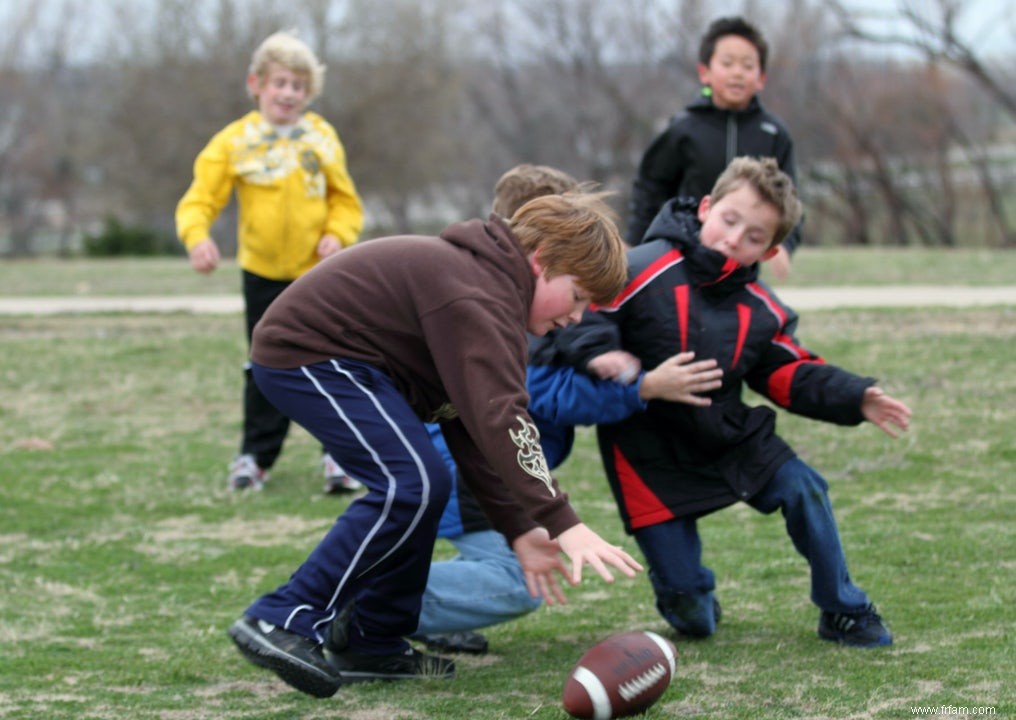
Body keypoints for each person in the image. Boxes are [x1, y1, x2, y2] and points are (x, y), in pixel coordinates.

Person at [226, 190, 645, 698]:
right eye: (578, 296)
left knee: (428, 482)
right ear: (541, 262)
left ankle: (371, 640)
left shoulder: (493, 299)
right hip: (310, 354)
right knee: (412, 482)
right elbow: (503, 419)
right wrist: (563, 522)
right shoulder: (477, 296)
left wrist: (518, 527)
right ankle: (283, 617)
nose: (578, 318)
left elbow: (471, 428)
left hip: (354, 367)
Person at [566, 157, 911, 647]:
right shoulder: (640, 267)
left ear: (769, 251)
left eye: (753, 236)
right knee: (694, 621)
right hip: (647, 453)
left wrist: (854, 396)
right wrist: (603, 354)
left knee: (805, 488)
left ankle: (843, 609)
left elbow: (788, 372)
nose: (734, 239)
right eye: (729, 220)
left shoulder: (762, 308)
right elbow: (587, 314)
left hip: (728, 435)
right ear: (707, 207)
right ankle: (687, 594)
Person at [415, 164, 723, 656]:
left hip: (479, 471)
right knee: (517, 580)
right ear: (539, 249)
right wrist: (643, 388)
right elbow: (549, 395)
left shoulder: (526, 305)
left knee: (508, 568)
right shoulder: (510, 320)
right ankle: (372, 603)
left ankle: (405, 610)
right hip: (467, 473)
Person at [175, 31, 364, 494]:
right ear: (256, 83)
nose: (288, 93)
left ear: (309, 92)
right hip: (261, 273)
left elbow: (347, 202)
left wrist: (336, 234)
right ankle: (254, 459)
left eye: (298, 85)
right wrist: (197, 238)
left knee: (329, 365)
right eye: (279, 82)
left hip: (317, 276)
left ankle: (339, 458)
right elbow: (199, 199)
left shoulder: (320, 138)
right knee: (264, 367)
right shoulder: (235, 142)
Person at [627, 16, 800, 278]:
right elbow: (650, 188)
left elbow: (789, 197)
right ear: (704, 72)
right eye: (727, 63)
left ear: (761, 77)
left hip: (743, 257)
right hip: (685, 251)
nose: (737, 72)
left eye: (747, 65)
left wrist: (785, 244)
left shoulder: (774, 133)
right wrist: (635, 239)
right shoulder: (683, 128)